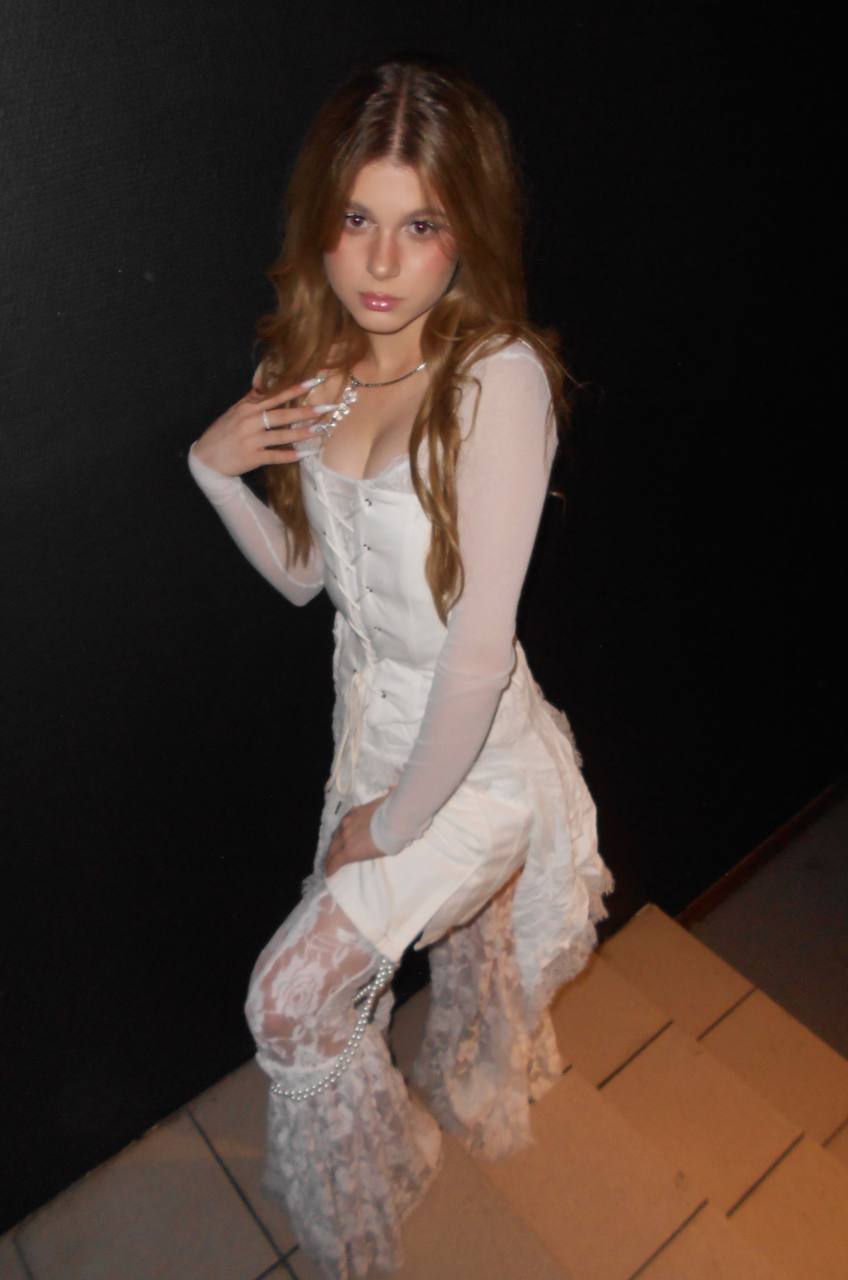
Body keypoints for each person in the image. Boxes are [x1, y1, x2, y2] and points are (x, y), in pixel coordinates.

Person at [187, 55, 615, 1280]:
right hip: (371, 726)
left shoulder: (496, 378)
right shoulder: (316, 367)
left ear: (463, 231)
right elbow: (305, 579)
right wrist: (215, 472)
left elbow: (476, 652)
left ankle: (366, 1215)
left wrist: (387, 821)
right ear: (318, 225)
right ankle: (466, 1079)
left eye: (418, 225)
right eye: (355, 220)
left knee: (285, 1001)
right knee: (456, 943)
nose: (379, 262)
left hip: (468, 762)